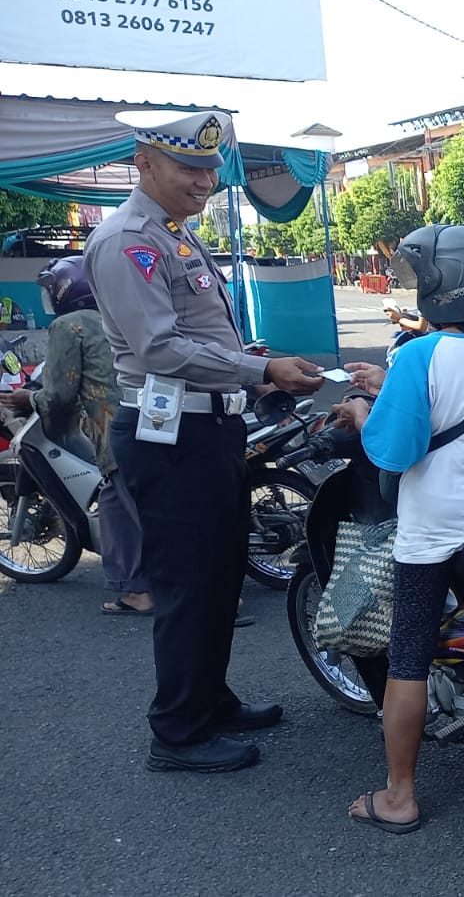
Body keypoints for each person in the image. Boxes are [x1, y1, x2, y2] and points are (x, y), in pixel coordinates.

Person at [87, 109, 325, 773]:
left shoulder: (173, 236)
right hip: (170, 435)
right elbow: (159, 347)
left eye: (210, 169)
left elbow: (195, 336)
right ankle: (177, 732)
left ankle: (209, 699)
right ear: (145, 162)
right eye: (190, 167)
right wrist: (260, 369)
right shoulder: (127, 241)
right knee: (188, 582)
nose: (204, 181)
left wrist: (249, 359)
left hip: (208, 425)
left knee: (220, 574)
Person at [332, 223, 464, 834]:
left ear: (441, 288)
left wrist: (364, 407)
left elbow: (392, 452)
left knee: (408, 657)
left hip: (440, 533)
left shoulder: (420, 354)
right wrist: (391, 386)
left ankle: (399, 794)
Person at [1, 257, 151, 616]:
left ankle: (135, 592)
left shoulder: (70, 325)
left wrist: (27, 398)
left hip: (118, 430)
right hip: (158, 421)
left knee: (116, 505)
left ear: (66, 289)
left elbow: (59, 395)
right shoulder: (118, 314)